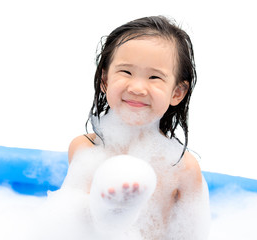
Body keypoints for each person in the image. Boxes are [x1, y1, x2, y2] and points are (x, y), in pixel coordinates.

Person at [65, 16, 210, 239]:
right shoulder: (84, 148)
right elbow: (70, 224)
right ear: (105, 80)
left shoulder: (183, 169)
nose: (137, 87)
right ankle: (112, 213)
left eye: (154, 77)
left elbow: (192, 234)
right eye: (126, 72)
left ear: (177, 93)